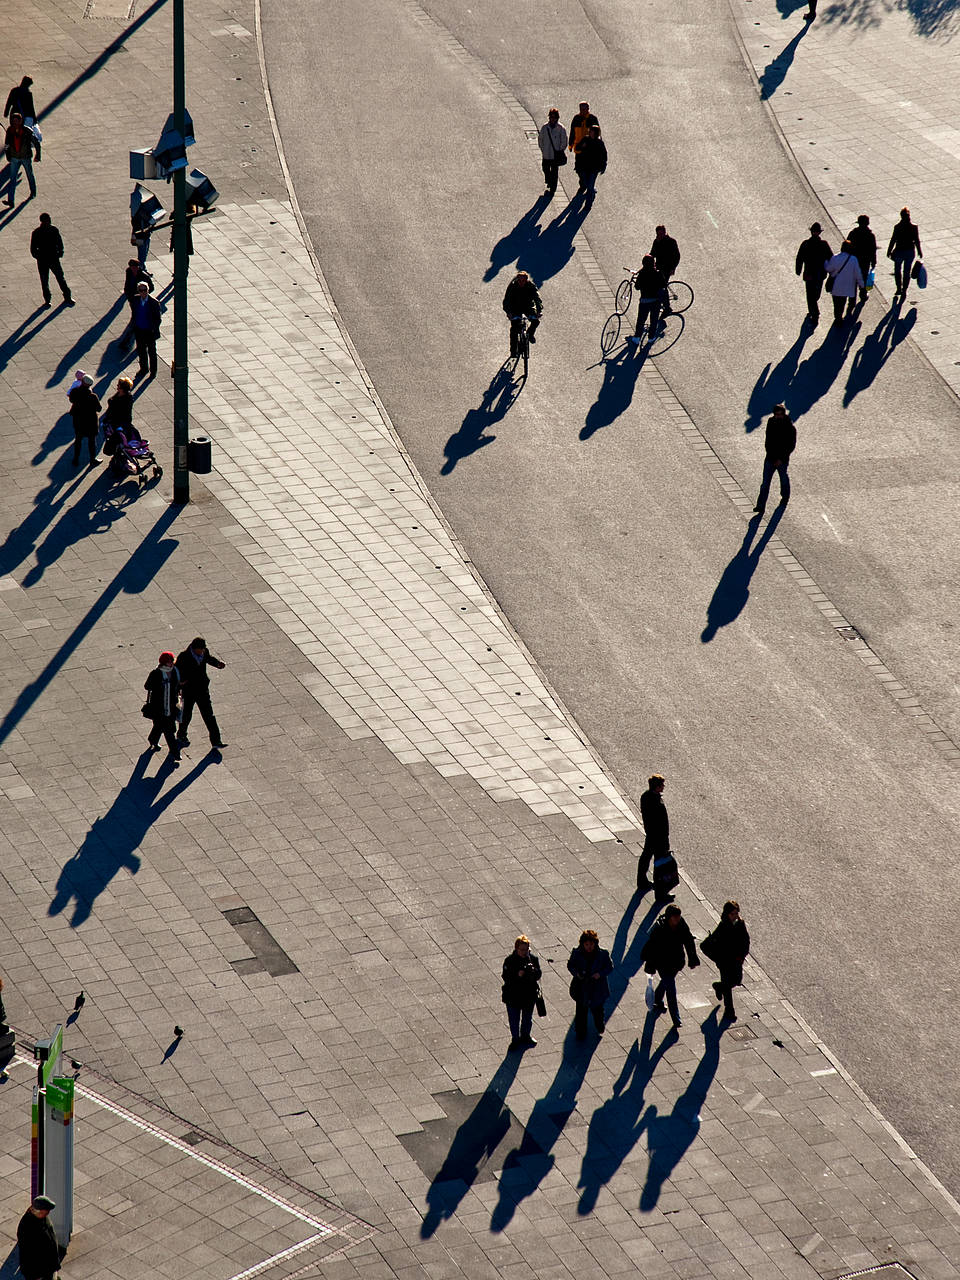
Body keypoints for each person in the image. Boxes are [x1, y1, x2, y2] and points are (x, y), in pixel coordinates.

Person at [640, 904, 699, 1030]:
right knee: (671, 989)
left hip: (677, 962)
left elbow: (688, 940)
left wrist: (692, 958)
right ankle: (676, 1018)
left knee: (667, 982)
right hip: (663, 963)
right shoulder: (659, 929)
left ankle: (657, 998)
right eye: (675, 917)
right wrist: (650, 965)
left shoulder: (681, 924)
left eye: (678, 917)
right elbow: (652, 948)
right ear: (669, 917)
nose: (677, 919)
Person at [701, 900, 750, 1022]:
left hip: (737, 960)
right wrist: (718, 958)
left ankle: (718, 987)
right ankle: (730, 1012)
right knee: (728, 985)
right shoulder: (723, 926)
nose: (735, 916)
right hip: (725, 962)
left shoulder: (740, 924)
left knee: (736, 981)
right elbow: (705, 945)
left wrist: (742, 955)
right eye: (732, 913)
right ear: (727, 914)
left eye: (736, 913)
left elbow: (745, 940)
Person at [175, 637, 227, 750]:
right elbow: (177, 672)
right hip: (189, 691)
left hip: (202, 689)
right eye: (201, 650)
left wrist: (218, 664)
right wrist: (181, 683)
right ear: (194, 649)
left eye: (204, 649)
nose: (203, 651)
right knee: (187, 714)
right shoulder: (183, 657)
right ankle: (181, 734)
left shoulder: (204, 652)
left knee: (209, 715)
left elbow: (208, 659)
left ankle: (216, 740)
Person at [567, 929, 613, 1040]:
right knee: (581, 1011)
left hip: (597, 987)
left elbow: (609, 967)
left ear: (595, 943)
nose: (589, 947)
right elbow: (570, 965)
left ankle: (599, 1024)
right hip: (582, 986)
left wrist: (600, 974)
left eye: (591, 944)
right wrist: (577, 974)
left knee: (597, 1009)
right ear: (582, 944)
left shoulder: (603, 954)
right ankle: (580, 1032)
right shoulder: (577, 953)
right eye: (586, 944)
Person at [753, 403, 796, 515]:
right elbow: (768, 441)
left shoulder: (790, 428)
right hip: (770, 458)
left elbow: (790, 446)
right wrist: (771, 456)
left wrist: (780, 459)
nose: (777, 416)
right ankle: (760, 506)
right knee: (765, 483)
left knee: (783, 479)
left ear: (783, 414)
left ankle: (785, 496)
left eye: (779, 414)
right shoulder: (771, 422)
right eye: (776, 414)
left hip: (782, 460)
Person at [501, 935, 542, 1049]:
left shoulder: (533, 959)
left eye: (526, 949)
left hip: (528, 995)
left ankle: (525, 1036)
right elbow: (506, 977)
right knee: (514, 1020)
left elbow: (538, 975)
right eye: (522, 949)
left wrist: (533, 971)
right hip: (513, 996)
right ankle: (515, 1039)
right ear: (516, 949)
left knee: (527, 1018)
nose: (524, 952)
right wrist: (517, 975)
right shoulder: (510, 961)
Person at [144, 652, 181, 759]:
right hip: (158, 707)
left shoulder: (174, 671)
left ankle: (154, 740)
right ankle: (174, 752)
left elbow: (177, 686)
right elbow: (147, 686)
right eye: (169, 662)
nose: (171, 664)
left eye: (172, 662)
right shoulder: (156, 673)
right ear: (164, 663)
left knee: (164, 728)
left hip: (171, 706)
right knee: (166, 730)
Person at [30, 213, 72, 307]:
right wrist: (39, 256)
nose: (50, 221)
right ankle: (47, 299)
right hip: (44, 260)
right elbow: (33, 249)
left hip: (53, 258)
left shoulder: (53, 230)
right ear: (44, 221)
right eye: (48, 219)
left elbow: (59, 241)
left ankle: (67, 296)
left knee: (60, 277)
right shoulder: (37, 232)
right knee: (45, 280)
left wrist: (60, 251)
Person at [795, 222, 833, 326]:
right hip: (820, 273)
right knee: (816, 293)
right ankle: (814, 311)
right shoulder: (824, 244)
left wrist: (798, 270)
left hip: (809, 273)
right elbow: (831, 257)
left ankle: (813, 311)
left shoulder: (806, 243)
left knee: (810, 294)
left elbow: (799, 258)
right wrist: (831, 270)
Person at [16, 1195, 60, 1280]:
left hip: (49, 1267)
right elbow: (28, 1254)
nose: (48, 1213)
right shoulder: (27, 1227)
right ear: (39, 1211)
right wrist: (36, 1275)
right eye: (46, 1211)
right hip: (38, 1272)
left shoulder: (42, 1218)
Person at [637, 773, 669, 888]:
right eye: (662, 785)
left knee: (646, 856)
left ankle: (641, 880)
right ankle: (659, 886)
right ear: (657, 787)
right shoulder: (655, 800)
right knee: (659, 861)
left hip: (651, 834)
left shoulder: (646, 796)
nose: (664, 787)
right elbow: (660, 821)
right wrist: (665, 838)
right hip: (658, 836)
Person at [627, 256, 666, 346]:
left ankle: (637, 338)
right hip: (656, 301)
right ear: (653, 263)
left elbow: (637, 287)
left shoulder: (642, 274)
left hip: (645, 300)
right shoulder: (658, 273)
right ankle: (651, 338)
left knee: (641, 320)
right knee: (654, 320)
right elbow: (663, 284)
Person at [502, 270, 542, 357]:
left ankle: (530, 334)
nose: (521, 282)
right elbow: (507, 300)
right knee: (514, 329)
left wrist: (539, 311)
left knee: (535, 321)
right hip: (515, 308)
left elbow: (537, 299)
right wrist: (508, 312)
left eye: (523, 281)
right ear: (517, 280)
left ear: (527, 280)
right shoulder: (512, 286)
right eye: (519, 280)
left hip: (528, 307)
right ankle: (513, 351)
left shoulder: (531, 286)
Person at [4, 112, 40, 207]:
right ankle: (11, 201)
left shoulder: (27, 131)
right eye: (13, 121)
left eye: (16, 121)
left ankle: (33, 192)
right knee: (12, 179)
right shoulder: (10, 130)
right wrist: (8, 155)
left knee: (29, 175)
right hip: (14, 157)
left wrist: (38, 155)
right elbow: (7, 144)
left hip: (25, 157)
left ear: (20, 121)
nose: (15, 123)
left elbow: (36, 142)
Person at [825, 239, 865, 323]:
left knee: (836, 304)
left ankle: (837, 317)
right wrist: (862, 285)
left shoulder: (835, 258)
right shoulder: (853, 259)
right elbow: (858, 273)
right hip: (847, 287)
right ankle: (840, 317)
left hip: (836, 286)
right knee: (842, 303)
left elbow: (828, 268)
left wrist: (825, 262)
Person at [887, 207, 922, 299]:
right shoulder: (914, 227)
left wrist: (889, 250)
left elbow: (893, 239)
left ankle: (899, 288)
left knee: (897, 270)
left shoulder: (897, 227)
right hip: (910, 251)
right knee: (906, 271)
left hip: (899, 251)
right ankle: (904, 290)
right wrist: (919, 251)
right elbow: (917, 240)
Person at [67, 374, 101, 468]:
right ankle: (92, 459)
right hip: (91, 422)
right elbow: (99, 409)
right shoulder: (93, 396)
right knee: (92, 441)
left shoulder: (75, 392)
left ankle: (76, 459)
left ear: (82, 382)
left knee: (78, 440)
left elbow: (71, 400)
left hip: (78, 421)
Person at [130, 280, 162, 378]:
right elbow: (134, 313)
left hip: (149, 331)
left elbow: (158, 318)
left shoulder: (154, 303)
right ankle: (143, 369)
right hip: (139, 330)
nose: (143, 292)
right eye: (140, 290)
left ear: (148, 290)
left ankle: (153, 371)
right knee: (141, 351)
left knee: (152, 352)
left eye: (144, 290)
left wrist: (153, 328)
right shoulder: (135, 300)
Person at [537, 108, 568, 197]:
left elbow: (564, 140)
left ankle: (553, 189)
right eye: (551, 117)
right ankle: (549, 180)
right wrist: (543, 149)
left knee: (554, 172)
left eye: (554, 117)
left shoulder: (561, 128)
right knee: (545, 169)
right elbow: (540, 139)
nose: (553, 119)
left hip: (555, 155)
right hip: (546, 154)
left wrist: (560, 149)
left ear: (557, 118)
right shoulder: (545, 127)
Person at [847, 214, 877, 304]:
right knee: (863, 278)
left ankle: (852, 299)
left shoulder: (853, 233)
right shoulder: (870, 235)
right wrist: (873, 261)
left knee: (853, 280)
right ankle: (863, 294)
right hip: (865, 260)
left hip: (854, 260)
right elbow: (873, 249)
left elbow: (847, 246)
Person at [574, 124, 606, 203]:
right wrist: (582, 146)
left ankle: (588, 204)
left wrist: (603, 166)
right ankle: (589, 192)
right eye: (590, 131)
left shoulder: (599, 143)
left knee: (590, 186)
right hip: (584, 166)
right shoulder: (585, 139)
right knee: (585, 182)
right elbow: (577, 147)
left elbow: (604, 155)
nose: (590, 133)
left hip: (594, 168)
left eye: (592, 132)